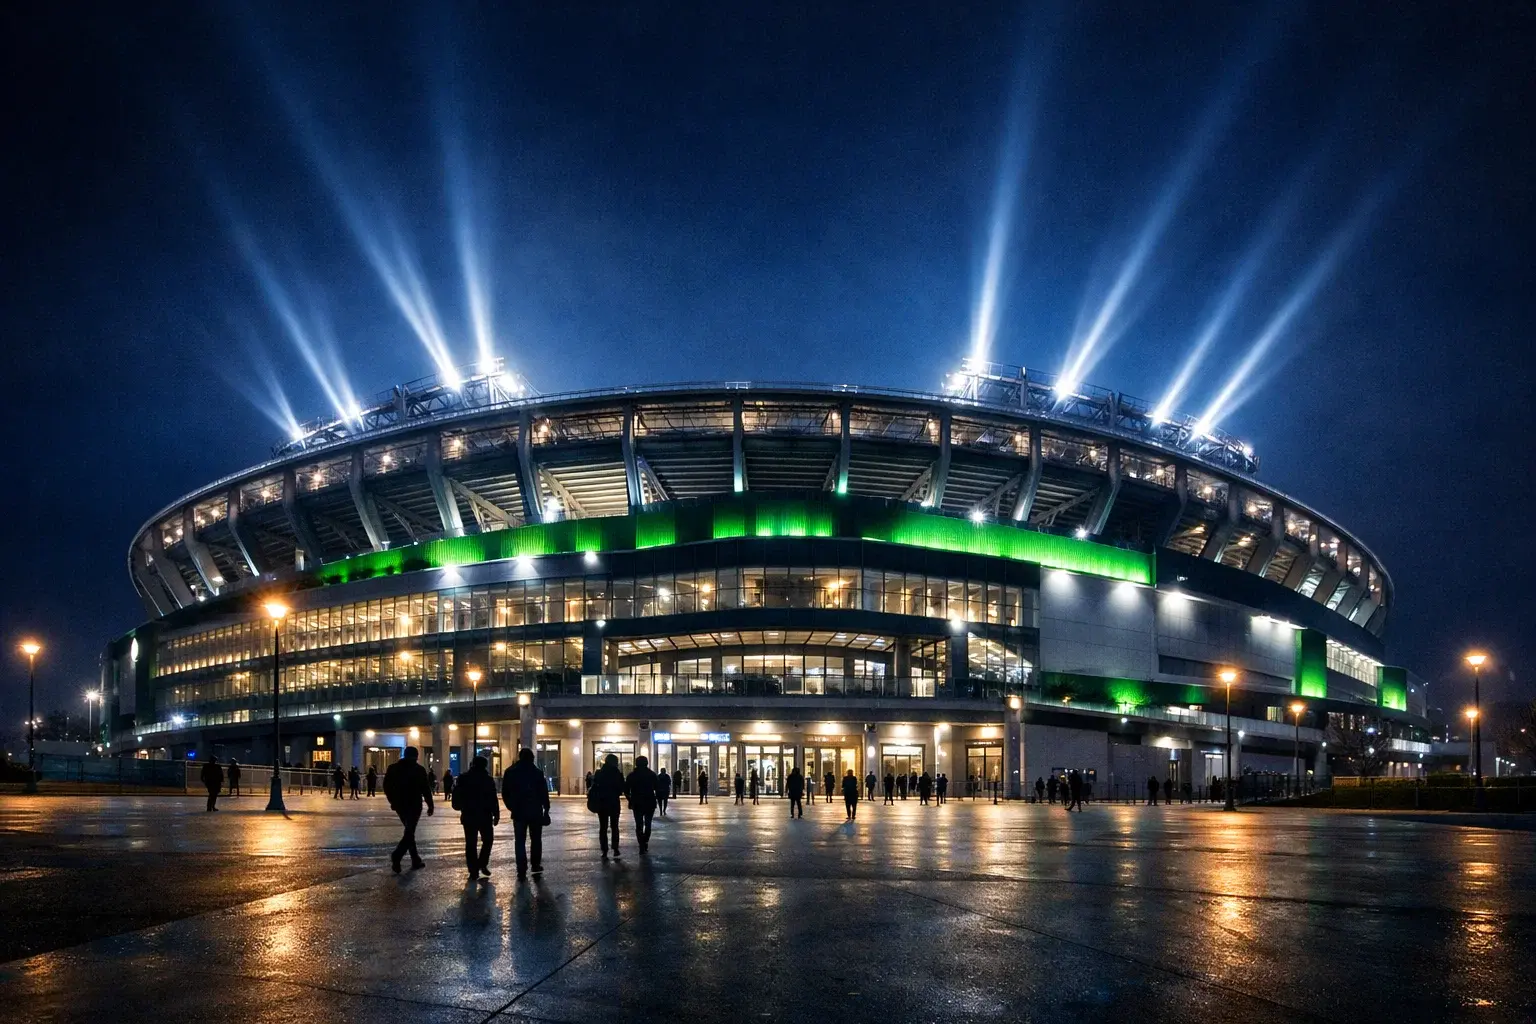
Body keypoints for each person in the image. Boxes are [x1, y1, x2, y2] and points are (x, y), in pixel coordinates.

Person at [383, 745, 434, 873]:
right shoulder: (419, 770)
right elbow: (426, 789)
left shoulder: (393, 768)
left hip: (400, 804)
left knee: (409, 831)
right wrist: (430, 804)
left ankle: (415, 859)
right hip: (414, 804)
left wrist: (392, 800)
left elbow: (387, 786)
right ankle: (397, 855)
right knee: (409, 832)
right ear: (416, 757)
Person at [502, 748, 550, 878]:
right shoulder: (537, 773)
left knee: (520, 841)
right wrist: (546, 809)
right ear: (532, 758)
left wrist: (511, 807)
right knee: (536, 840)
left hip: (518, 811)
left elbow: (505, 793)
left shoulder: (510, 772)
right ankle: (535, 865)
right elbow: (543, 793)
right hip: (535, 810)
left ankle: (521, 868)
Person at [452, 755, 499, 881]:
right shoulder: (487, 779)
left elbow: (457, 794)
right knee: (488, 840)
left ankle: (473, 869)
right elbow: (493, 798)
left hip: (469, 814)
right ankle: (482, 863)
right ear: (484, 765)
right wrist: (496, 813)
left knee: (471, 843)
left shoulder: (464, 778)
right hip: (485, 815)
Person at [591, 753, 625, 857]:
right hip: (614, 802)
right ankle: (615, 848)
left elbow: (595, 786)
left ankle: (604, 849)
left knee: (603, 827)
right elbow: (621, 789)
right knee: (614, 826)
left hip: (602, 802)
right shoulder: (618, 774)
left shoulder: (599, 773)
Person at [625, 754, 659, 854]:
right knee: (648, 824)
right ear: (646, 763)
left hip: (637, 802)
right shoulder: (652, 774)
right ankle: (645, 841)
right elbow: (657, 788)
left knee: (639, 824)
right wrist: (656, 798)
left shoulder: (631, 775)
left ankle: (641, 844)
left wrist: (630, 800)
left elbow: (626, 790)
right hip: (649, 802)